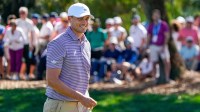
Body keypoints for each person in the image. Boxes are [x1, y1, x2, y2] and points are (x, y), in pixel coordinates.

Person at [43, 3, 97, 112]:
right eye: (80, 18)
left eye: (87, 19)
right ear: (69, 19)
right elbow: (52, 80)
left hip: (82, 105)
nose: (85, 22)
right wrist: (81, 98)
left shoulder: (86, 43)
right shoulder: (58, 43)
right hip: (61, 105)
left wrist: (83, 99)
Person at [147, 9, 171, 82]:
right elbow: (149, 36)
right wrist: (147, 46)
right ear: (152, 17)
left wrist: (164, 45)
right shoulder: (151, 25)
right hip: (153, 46)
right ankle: (154, 78)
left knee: (166, 61)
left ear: (159, 16)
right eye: (154, 15)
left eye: (157, 15)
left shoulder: (163, 24)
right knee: (153, 62)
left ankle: (167, 78)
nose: (156, 17)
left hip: (162, 45)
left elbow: (167, 36)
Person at [16, 7, 35, 80]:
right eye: (21, 13)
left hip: (27, 43)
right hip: (18, 44)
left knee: (28, 59)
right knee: (18, 59)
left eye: (23, 13)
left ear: (26, 13)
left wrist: (31, 44)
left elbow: (32, 33)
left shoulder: (29, 22)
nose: (22, 14)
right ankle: (17, 74)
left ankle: (27, 74)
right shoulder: (17, 22)